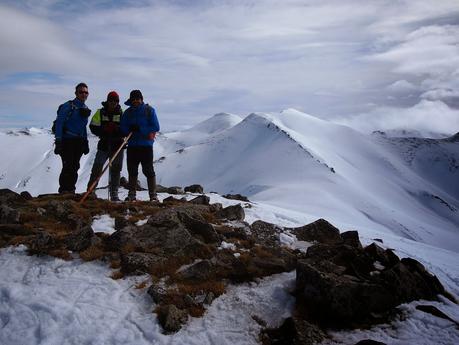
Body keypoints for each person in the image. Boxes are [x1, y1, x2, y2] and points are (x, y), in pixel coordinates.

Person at [120, 90, 160, 201]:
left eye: (138, 99)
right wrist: (129, 129)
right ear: (131, 100)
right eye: (134, 99)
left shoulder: (149, 111)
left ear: (141, 99)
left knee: (148, 170)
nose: (136, 101)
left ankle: (153, 195)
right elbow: (122, 127)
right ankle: (132, 195)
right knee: (132, 170)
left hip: (146, 145)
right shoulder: (127, 113)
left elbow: (156, 126)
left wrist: (141, 129)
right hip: (132, 145)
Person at [86, 91, 124, 201]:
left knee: (116, 170)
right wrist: (104, 130)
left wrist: (117, 130)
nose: (113, 103)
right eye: (111, 100)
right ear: (107, 101)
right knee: (97, 168)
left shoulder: (122, 113)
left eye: (115, 101)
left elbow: (126, 129)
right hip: (104, 144)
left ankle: (114, 193)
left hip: (118, 145)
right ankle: (91, 191)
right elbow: (93, 126)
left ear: (118, 102)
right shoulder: (100, 112)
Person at [54, 82, 91, 194]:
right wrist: (58, 141)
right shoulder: (68, 106)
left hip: (78, 141)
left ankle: (71, 190)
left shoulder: (85, 108)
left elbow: (83, 127)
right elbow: (59, 123)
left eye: (86, 92)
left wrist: (85, 141)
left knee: (75, 166)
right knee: (68, 166)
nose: (84, 94)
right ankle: (64, 191)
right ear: (76, 93)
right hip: (67, 141)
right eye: (81, 92)